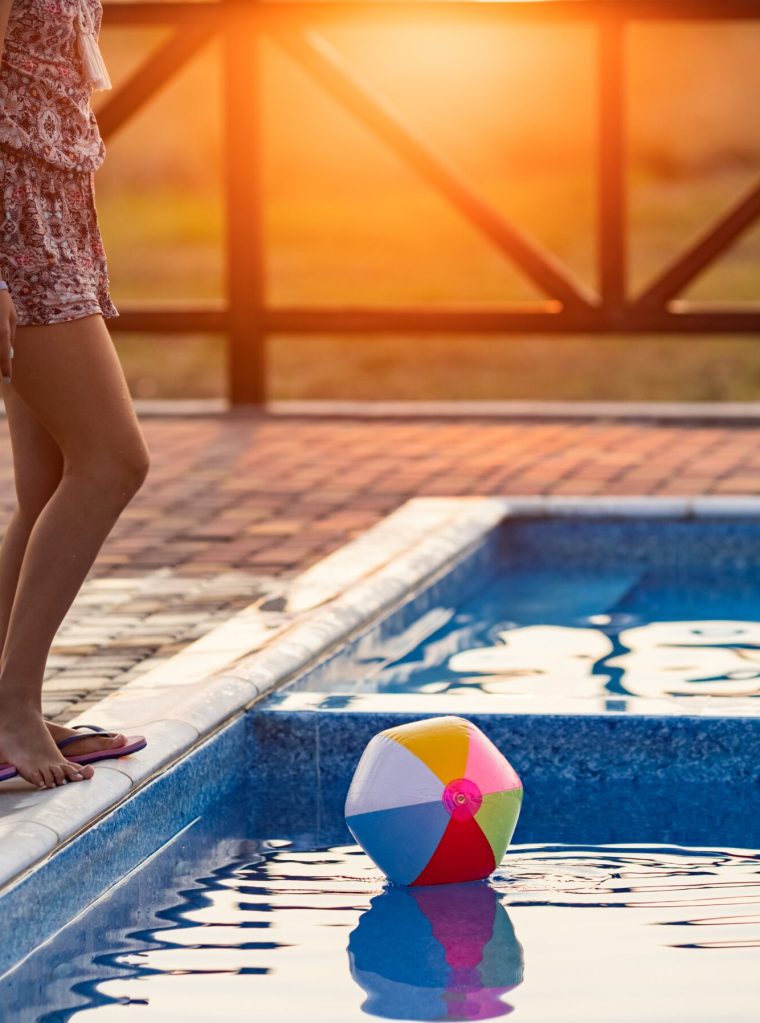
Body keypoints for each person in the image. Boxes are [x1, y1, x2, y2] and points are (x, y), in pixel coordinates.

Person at [0, 0, 150, 788]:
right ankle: (13, 704)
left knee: (53, 481)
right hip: (15, 225)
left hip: (53, 205)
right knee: (113, 461)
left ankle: (4, 707)